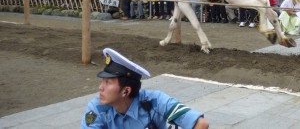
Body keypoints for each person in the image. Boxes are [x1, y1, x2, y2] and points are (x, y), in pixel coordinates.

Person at [81, 48, 209, 129]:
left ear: (126, 91)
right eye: (102, 81)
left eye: (108, 82)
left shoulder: (155, 101)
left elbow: (201, 125)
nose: (100, 87)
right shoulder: (97, 108)